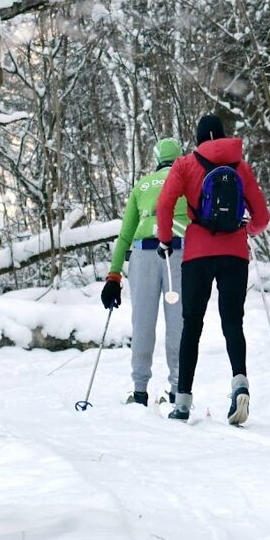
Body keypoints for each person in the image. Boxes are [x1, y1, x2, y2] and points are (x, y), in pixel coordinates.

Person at [156, 114, 269, 424]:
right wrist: (247, 229)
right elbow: (262, 217)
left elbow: (164, 205)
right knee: (233, 321)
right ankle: (240, 384)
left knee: (191, 325)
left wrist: (165, 239)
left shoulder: (185, 165)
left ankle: (181, 403)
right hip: (234, 253)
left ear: (198, 138)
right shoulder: (240, 166)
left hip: (197, 253)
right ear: (222, 135)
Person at [100, 138, 190, 406]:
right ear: (179, 158)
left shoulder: (142, 185)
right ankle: (177, 390)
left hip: (143, 253)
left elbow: (125, 234)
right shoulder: (188, 181)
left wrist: (114, 275)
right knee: (178, 323)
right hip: (179, 252)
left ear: (156, 159)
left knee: (143, 322)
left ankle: (140, 391)